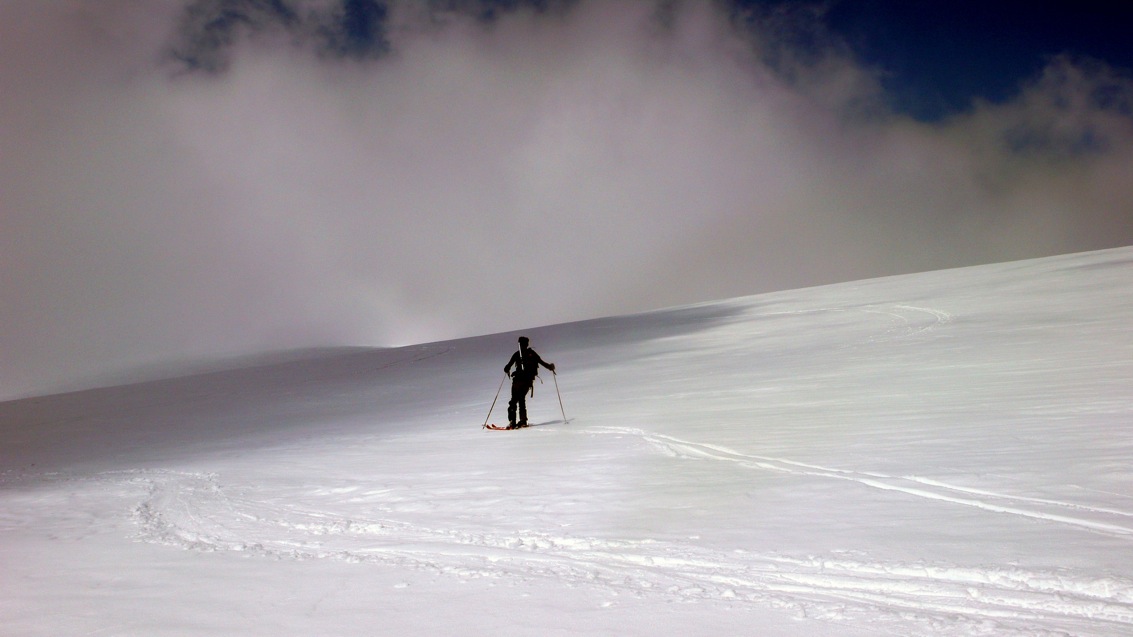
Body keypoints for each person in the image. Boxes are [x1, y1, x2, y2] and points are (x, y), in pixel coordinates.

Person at [503, 336, 555, 428]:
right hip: (527, 381)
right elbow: (542, 363)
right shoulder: (532, 353)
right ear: (527, 344)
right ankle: (523, 421)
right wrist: (550, 367)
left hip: (517, 381)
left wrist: (507, 369)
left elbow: (508, 366)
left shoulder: (517, 354)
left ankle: (512, 422)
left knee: (513, 401)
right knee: (521, 400)